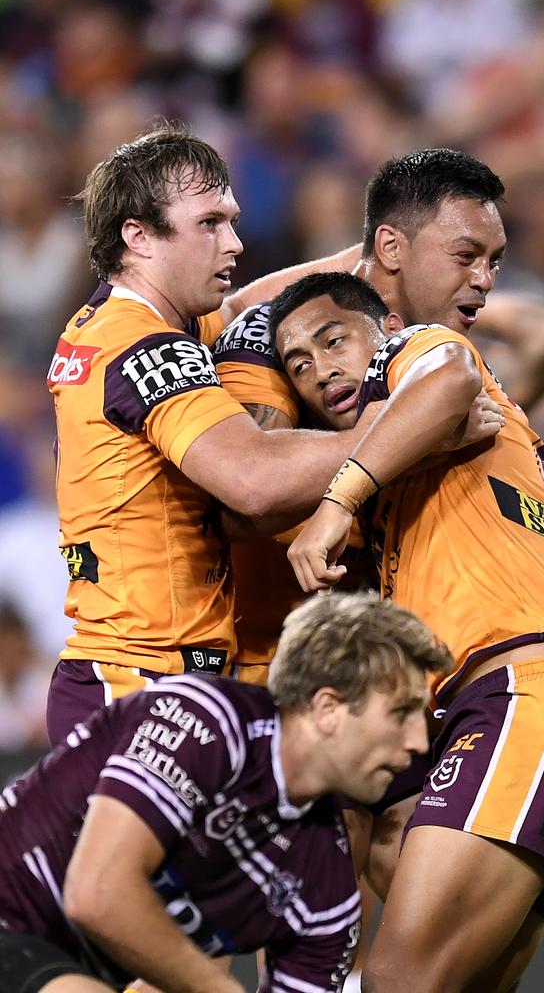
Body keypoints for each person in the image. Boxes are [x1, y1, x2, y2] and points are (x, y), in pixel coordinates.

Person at [268, 265, 544, 991]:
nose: (320, 371)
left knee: (395, 978)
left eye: (335, 339)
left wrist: (338, 501)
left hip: (528, 698)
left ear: (385, 331)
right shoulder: (407, 471)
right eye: (298, 365)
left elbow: (452, 371)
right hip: (497, 718)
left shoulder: (423, 351)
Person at [45, 120, 373, 746]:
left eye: (232, 219)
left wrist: (380, 253)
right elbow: (253, 482)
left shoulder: (143, 319)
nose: (235, 242)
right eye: (209, 224)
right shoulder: (143, 344)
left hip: (166, 677)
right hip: (139, 684)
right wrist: (408, 428)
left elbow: (261, 299)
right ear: (138, 237)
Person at [0, 591, 452, 993]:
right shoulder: (205, 719)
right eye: (402, 712)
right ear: (328, 708)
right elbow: (96, 893)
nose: (417, 741)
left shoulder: (330, 894)